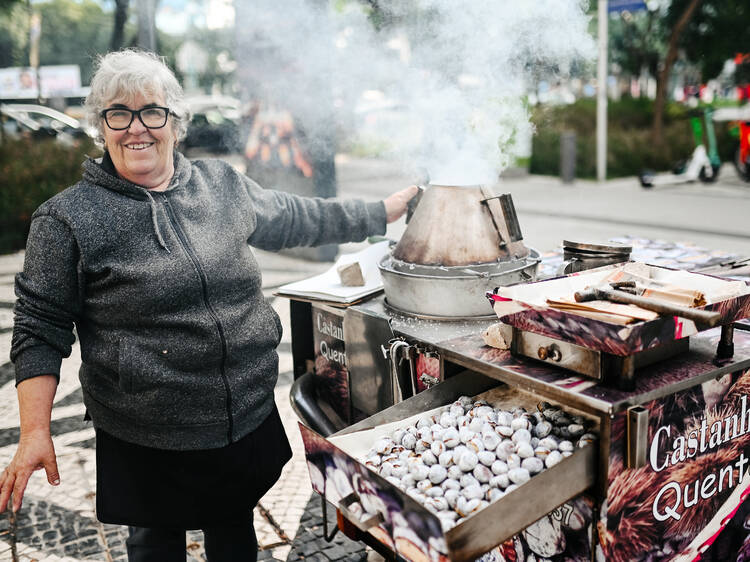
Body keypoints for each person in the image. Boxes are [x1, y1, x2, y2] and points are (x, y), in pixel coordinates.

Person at [0, 49, 417, 562]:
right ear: (101, 127)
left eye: (152, 112)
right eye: (118, 114)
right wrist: (36, 431)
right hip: (145, 434)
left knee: (234, 532)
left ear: (175, 122)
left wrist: (383, 210)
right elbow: (39, 328)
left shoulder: (221, 186)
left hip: (241, 414)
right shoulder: (67, 220)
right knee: (155, 545)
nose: (137, 128)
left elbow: (298, 217)